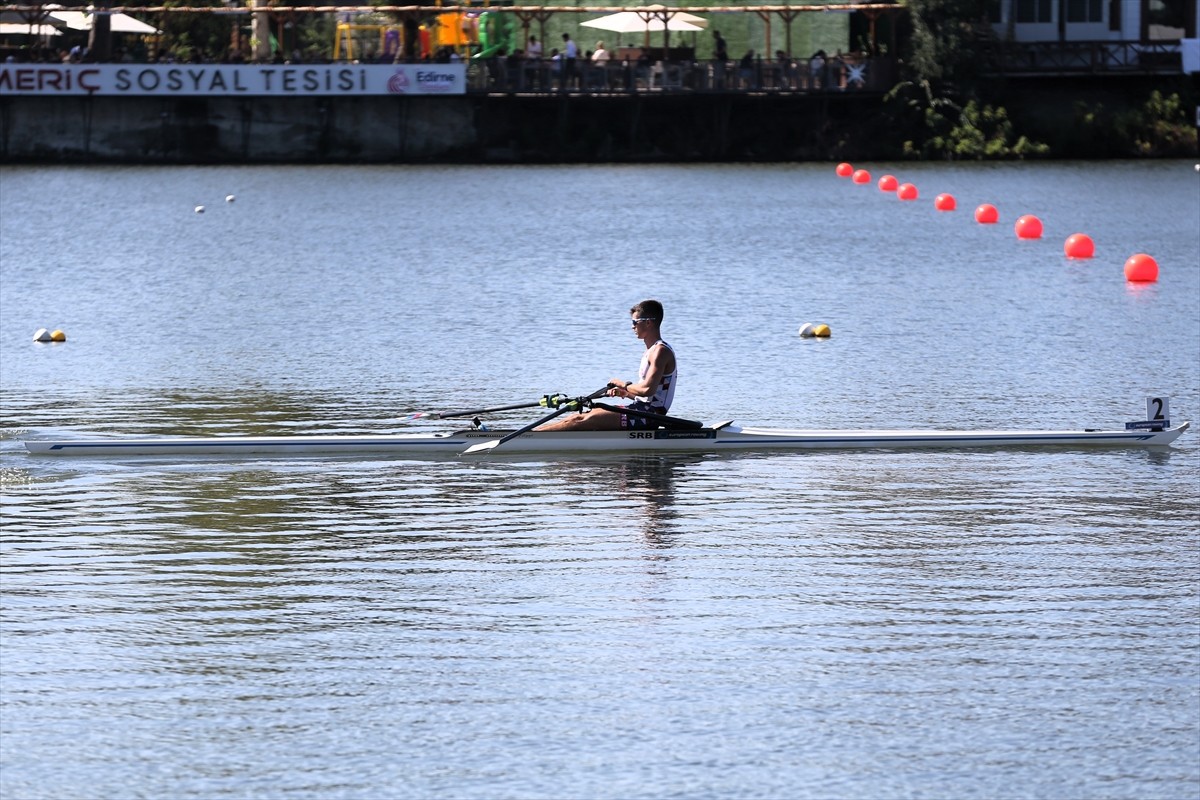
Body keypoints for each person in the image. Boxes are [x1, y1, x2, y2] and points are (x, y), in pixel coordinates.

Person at [539, 300, 677, 432]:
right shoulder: (651, 351)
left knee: (578, 420)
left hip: (650, 416)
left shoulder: (660, 351)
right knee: (579, 416)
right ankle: (530, 434)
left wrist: (622, 384)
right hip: (641, 410)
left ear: (648, 323)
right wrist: (625, 393)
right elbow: (649, 395)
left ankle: (528, 437)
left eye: (635, 322)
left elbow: (647, 389)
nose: (632, 326)